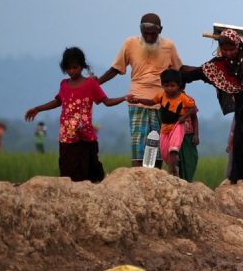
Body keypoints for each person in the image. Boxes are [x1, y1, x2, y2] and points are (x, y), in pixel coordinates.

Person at [180, 29, 243, 188]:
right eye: (225, 50)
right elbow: (197, 73)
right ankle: (240, 180)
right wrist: (175, 77)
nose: (229, 52)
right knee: (241, 142)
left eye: (232, 49)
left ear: (238, 46)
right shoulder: (217, 66)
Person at [25, 47, 127, 182]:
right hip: (67, 136)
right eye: (68, 68)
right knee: (68, 168)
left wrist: (124, 98)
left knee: (90, 167)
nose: (72, 71)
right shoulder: (64, 84)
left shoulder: (90, 84)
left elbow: (107, 101)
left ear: (82, 66)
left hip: (85, 136)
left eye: (75, 67)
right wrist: (38, 109)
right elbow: (58, 101)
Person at [97, 13, 183, 166]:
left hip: (161, 102)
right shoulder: (130, 43)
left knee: (158, 141)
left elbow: (178, 73)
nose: (149, 38)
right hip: (137, 100)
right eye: (146, 34)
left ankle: (155, 176)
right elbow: (116, 68)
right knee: (138, 142)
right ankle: (137, 176)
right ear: (140, 30)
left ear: (160, 31)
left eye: (153, 34)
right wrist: (97, 82)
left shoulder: (168, 46)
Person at [127, 69, 196, 178]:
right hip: (165, 127)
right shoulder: (161, 96)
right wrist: (138, 100)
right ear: (162, 85)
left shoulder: (183, 98)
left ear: (178, 85)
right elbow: (150, 102)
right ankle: (174, 170)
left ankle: (169, 173)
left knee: (173, 148)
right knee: (165, 154)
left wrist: (184, 117)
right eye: (166, 85)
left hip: (178, 125)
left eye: (172, 85)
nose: (169, 88)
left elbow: (193, 109)